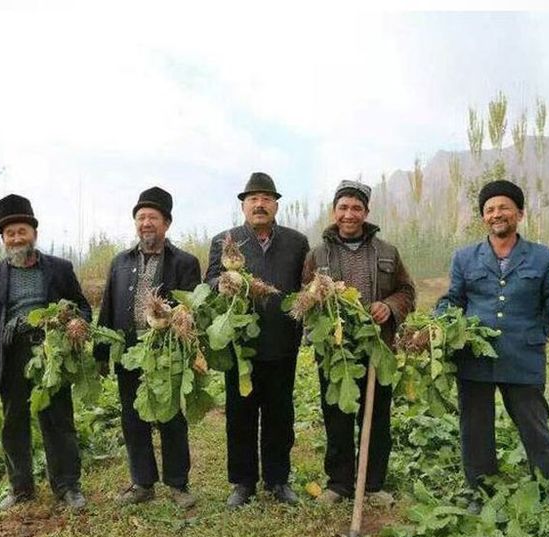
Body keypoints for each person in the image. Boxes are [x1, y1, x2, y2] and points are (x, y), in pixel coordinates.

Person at [435, 179, 549, 508]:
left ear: (519, 213)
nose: (496, 214)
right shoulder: (464, 258)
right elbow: (453, 300)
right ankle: (480, 491)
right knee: (475, 429)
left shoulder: (542, 257)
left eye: (504, 207)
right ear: (483, 217)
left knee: (534, 425)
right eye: (489, 209)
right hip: (474, 356)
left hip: (522, 355)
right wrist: (436, 324)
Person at [0, 194, 91, 510]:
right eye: (9, 233)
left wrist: (74, 324)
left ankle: (67, 486)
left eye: (21, 231)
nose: (16, 238)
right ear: (3, 239)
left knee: (58, 420)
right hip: (10, 355)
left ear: (34, 233)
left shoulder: (60, 269)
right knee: (13, 423)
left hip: (51, 354)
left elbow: (82, 307)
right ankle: (21, 488)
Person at [302, 180, 415, 503]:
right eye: (343, 207)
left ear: (366, 212)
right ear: (334, 211)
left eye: (356, 208)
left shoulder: (387, 252)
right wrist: (320, 303)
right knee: (336, 415)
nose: (349, 214)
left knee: (377, 416)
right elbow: (304, 298)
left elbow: (407, 291)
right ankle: (339, 484)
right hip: (336, 351)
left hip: (377, 347)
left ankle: (373, 484)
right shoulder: (318, 255)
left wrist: (389, 307)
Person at [206, 172, 309, 508]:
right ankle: (243, 482)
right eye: (253, 199)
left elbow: (305, 288)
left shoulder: (296, 242)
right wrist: (222, 284)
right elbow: (209, 282)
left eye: (266, 198)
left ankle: (278, 480)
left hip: (282, 343)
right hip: (240, 347)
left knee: (280, 415)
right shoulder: (225, 241)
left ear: (276, 205)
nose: (259, 204)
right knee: (240, 416)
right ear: (243, 206)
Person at [94, 186, 201, 509]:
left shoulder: (184, 262)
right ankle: (142, 482)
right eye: (140, 217)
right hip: (129, 352)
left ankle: (178, 483)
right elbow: (108, 307)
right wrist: (101, 353)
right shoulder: (121, 262)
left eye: (152, 217)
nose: (146, 223)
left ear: (166, 223)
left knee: (171, 416)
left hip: (166, 353)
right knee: (133, 417)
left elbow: (192, 308)